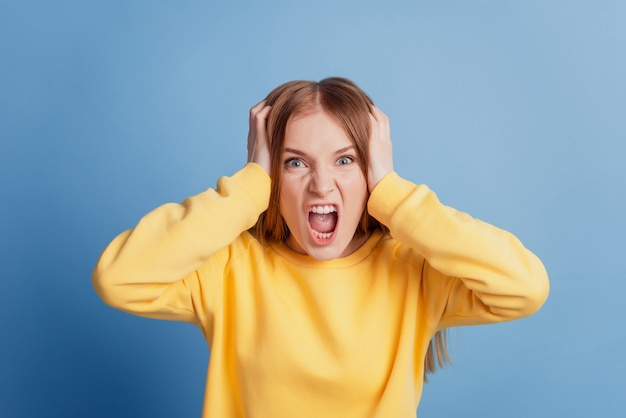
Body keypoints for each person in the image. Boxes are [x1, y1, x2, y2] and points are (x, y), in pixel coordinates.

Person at [93, 77, 549, 417]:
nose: (321, 184)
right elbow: (119, 278)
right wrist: (251, 186)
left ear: (370, 170)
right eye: (295, 162)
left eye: (345, 160)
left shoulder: (413, 274)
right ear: (275, 177)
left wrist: (393, 193)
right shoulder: (231, 271)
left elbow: (524, 287)